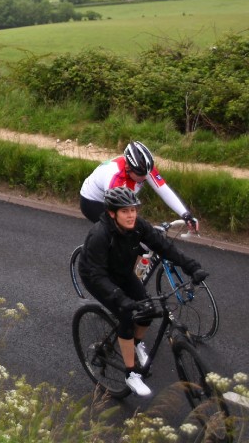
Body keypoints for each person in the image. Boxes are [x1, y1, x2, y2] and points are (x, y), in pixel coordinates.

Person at [78, 187, 207, 397]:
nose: (131, 215)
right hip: (97, 277)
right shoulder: (99, 235)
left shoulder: (138, 226)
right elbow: (97, 275)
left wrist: (192, 267)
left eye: (133, 210)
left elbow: (165, 247)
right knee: (127, 316)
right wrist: (120, 298)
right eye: (125, 211)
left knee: (147, 309)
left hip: (122, 273)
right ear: (112, 213)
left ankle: (136, 344)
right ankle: (131, 374)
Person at [78, 141, 199, 232]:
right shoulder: (115, 177)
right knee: (118, 233)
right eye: (140, 175)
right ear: (128, 169)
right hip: (92, 201)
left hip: (115, 200)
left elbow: (164, 190)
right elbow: (117, 211)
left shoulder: (145, 170)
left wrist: (185, 214)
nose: (145, 177)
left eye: (146, 174)